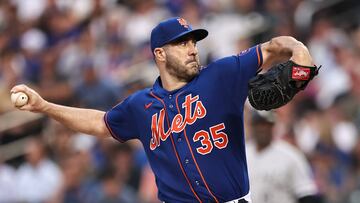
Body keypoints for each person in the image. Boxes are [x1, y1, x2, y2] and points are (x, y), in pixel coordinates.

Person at [11, 17, 315, 203]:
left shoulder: (222, 75)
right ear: (160, 53)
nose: (192, 48)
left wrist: (300, 50)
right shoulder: (140, 105)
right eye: (182, 43)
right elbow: (100, 123)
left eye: (193, 42)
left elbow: (276, 47)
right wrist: (45, 106)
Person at [246, 111, 323, 203]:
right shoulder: (242, 155)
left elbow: (305, 193)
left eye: (267, 124)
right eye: (259, 124)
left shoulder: (291, 155)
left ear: (273, 127)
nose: (263, 128)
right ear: (252, 126)